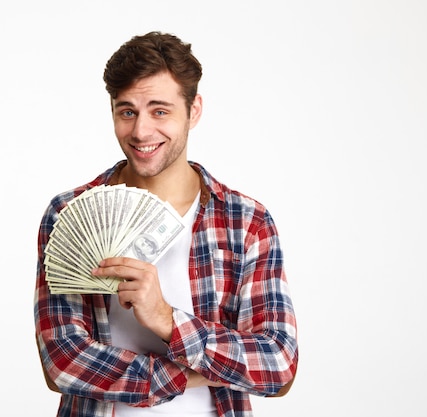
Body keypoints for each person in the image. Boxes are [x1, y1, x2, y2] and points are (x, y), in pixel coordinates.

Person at [34, 31, 298, 417]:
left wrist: (167, 320)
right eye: (127, 111)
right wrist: (193, 373)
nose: (141, 131)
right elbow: (61, 364)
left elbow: (278, 365)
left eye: (160, 111)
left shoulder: (246, 222)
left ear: (193, 111)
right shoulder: (69, 213)